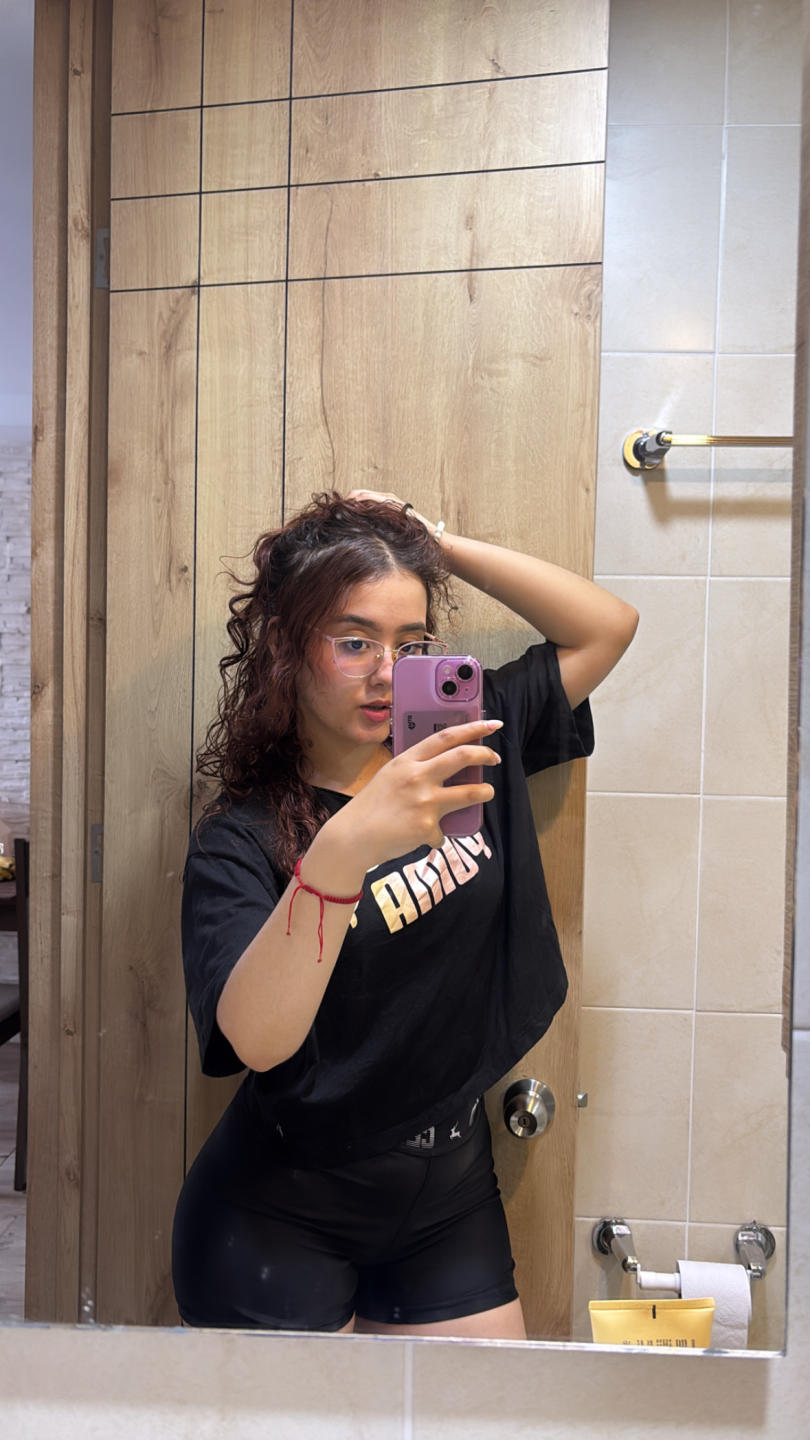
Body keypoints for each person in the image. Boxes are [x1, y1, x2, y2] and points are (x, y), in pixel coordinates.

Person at [172, 489, 638, 1339]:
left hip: (451, 1193)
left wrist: (434, 545)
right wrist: (344, 849)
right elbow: (258, 1041)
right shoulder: (238, 840)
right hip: (280, 1213)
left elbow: (607, 627)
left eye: (410, 643)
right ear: (286, 647)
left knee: (486, 1409)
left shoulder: (466, 749)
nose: (387, 673)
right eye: (354, 641)